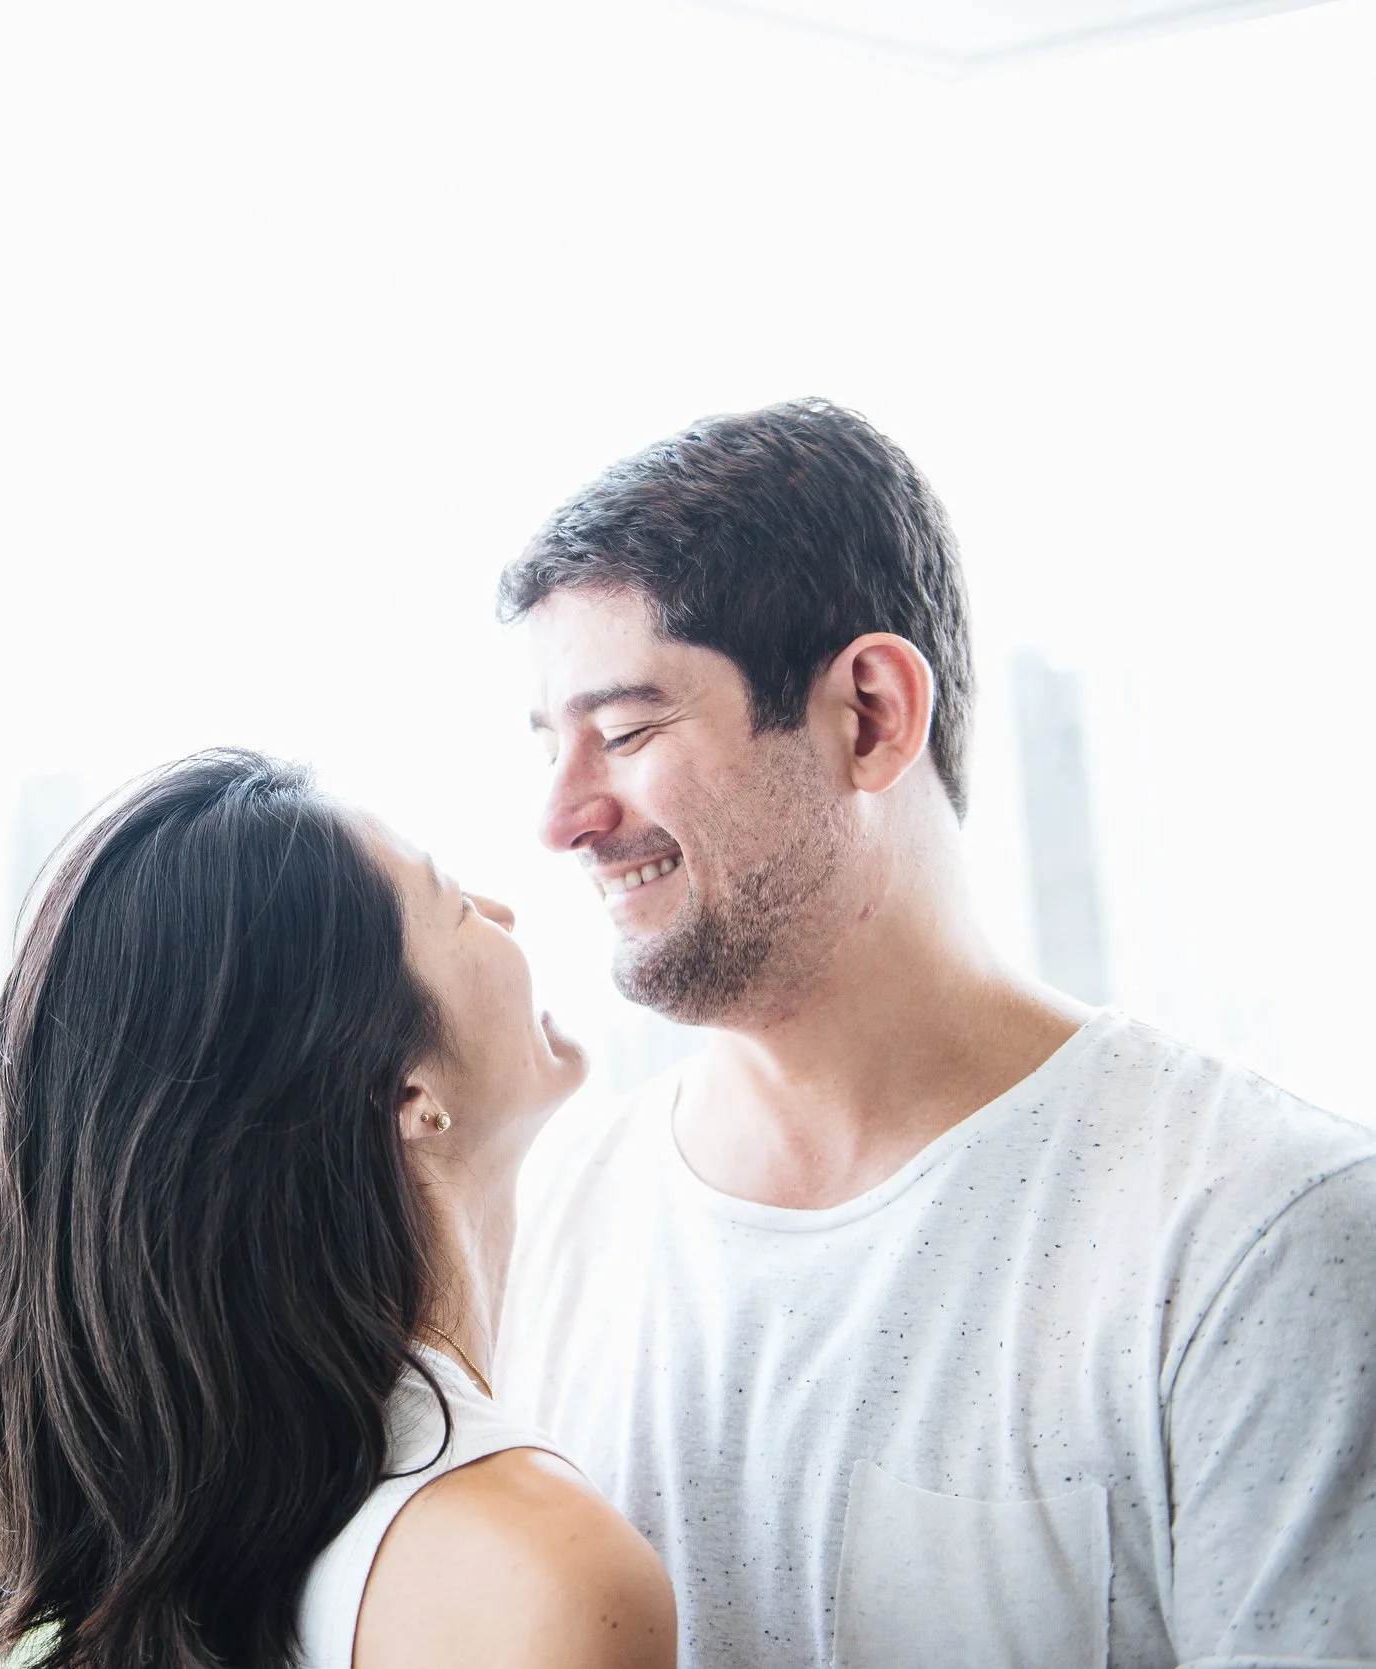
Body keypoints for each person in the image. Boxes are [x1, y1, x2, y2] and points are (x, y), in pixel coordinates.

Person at [495, 399, 1376, 1669]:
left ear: (868, 712)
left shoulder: (1256, 1232)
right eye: (547, 744)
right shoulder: (552, 1227)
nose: (562, 815)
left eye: (626, 731)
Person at [0, 751, 674, 1669]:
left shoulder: (247, 1542)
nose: (503, 912)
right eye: (454, 903)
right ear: (401, 1092)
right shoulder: (538, 1569)